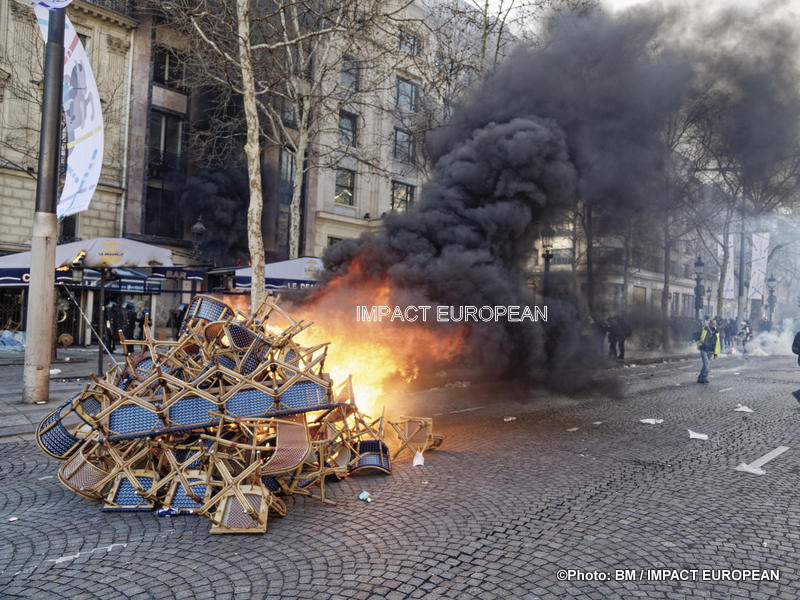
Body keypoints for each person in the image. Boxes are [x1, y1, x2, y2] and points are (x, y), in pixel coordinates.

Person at [696, 318, 721, 383]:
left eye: (714, 324)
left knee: (705, 365)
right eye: (712, 323)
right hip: (704, 349)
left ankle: (700, 378)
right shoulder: (705, 329)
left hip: (710, 350)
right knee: (706, 364)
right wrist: (700, 340)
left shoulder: (717, 332)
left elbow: (717, 343)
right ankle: (704, 377)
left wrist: (715, 353)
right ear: (710, 324)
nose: (713, 325)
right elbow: (698, 336)